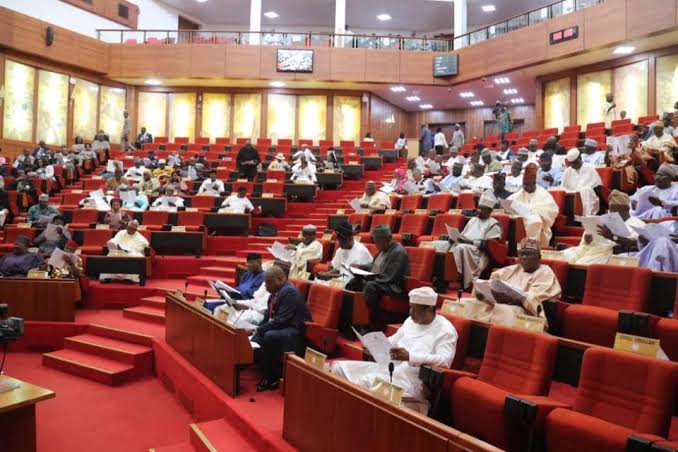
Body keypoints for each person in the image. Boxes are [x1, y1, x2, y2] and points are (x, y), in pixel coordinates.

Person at [331, 287, 457, 414]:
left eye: (415, 309)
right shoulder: (410, 321)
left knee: (366, 381)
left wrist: (410, 357)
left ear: (429, 309)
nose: (411, 313)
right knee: (339, 368)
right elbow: (393, 340)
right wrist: (373, 345)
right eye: (410, 307)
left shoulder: (446, 330)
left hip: (413, 382)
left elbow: (445, 360)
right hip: (390, 369)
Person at [465, 238, 561, 326]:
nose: (524, 257)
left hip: (528, 311)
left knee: (504, 311)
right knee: (469, 303)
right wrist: (483, 293)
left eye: (529, 254)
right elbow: (492, 281)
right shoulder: (512, 269)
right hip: (502, 303)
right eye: (521, 254)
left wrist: (511, 299)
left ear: (539, 257)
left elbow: (534, 297)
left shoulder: (545, 272)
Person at [249, 265, 312, 391]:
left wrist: (259, 330)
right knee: (257, 337)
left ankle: (272, 377)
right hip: (284, 326)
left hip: (296, 329)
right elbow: (268, 317)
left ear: (280, 279)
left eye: (269, 283)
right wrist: (258, 330)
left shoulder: (289, 292)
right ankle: (267, 369)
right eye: (265, 283)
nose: (266, 286)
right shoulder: (274, 294)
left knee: (269, 336)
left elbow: (281, 320)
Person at [347, 224, 409, 332]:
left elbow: (390, 277)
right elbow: (375, 267)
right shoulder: (383, 250)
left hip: (394, 286)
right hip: (381, 282)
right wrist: (360, 267)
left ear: (384, 240)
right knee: (354, 282)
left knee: (370, 286)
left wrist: (367, 277)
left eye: (376, 241)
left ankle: (371, 324)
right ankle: (351, 321)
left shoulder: (399, 252)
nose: (375, 244)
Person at [564, 190, 645, 265]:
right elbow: (586, 243)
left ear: (627, 209)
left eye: (616, 210)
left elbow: (637, 244)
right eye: (611, 210)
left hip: (608, 255)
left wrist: (612, 237)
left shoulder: (638, 224)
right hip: (589, 250)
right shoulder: (604, 220)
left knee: (581, 263)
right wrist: (587, 239)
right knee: (564, 257)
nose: (612, 213)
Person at [447, 191, 502, 289]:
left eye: (482, 209)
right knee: (444, 245)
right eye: (478, 208)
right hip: (466, 246)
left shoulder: (494, 224)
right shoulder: (473, 220)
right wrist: (454, 238)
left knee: (461, 247)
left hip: (479, 252)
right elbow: (463, 235)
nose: (479, 210)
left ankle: (461, 277)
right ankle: (449, 276)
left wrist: (470, 242)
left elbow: (490, 245)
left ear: (489, 210)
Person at [506, 164, 559, 247]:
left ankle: (532, 247)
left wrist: (532, 211)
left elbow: (553, 210)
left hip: (539, 224)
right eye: (524, 184)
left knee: (535, 221)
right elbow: (509, 203)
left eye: (527, 184)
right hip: (520, 222)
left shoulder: (544, 194)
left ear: (534, 183)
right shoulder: (519, 193)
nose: (525, 187)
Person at [316, 221, 373, 288]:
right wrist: (325, 274)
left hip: (355, 282)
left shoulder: (361, 251)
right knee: (317, 281)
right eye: (339, 240)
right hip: (341, 278)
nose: (340, 243)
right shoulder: (340, 250)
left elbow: (351, 277)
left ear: (350, 238)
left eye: (343, 241)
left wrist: (330, 276)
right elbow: (337, 269)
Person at [561, 148, 602, 216]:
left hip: (589, 198)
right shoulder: (568, 171)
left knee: (586, 190)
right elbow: (563, 187)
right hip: (572, 198)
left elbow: (598, 187)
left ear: (580, 158)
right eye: (571, 163)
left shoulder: (590, 168)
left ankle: (587, 217)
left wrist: (581, 191)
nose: (572, 165)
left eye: (574, 162)